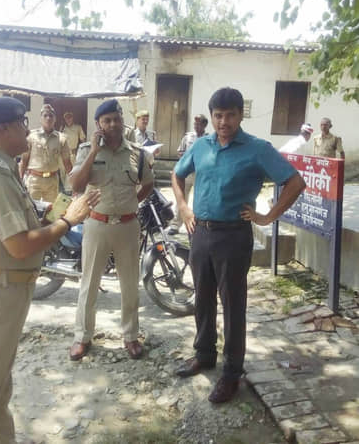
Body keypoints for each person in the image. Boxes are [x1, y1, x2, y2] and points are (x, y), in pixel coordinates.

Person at [0, 97, 100, 444]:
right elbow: (18, 245)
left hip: (0, 292)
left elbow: (19, 226)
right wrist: (68, 221)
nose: (27, 130)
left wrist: (52, 214)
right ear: (3, 129)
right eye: (22, 124)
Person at [172, 87, 305, 404]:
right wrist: (184, 208)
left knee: (232, 305)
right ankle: (204, 355)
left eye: (230, 115)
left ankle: (232, 373)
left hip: (233, 236)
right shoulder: (201, 146)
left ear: (240, 115)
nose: (223, 122)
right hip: (200, 233)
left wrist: (268, 216)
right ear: (211, 116)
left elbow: (295, 182)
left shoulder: (257, 149)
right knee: (203, 298)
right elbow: (177, 176)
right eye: (218, 115)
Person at [69, 99, 154, 361]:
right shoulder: (86, 150)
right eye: (107, 120)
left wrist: (131, 203)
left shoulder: (138, 153)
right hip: (97, 224)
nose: (113, 124)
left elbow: (148, 184)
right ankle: (83, 337)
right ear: (98, 124)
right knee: (89, 283)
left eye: (116, 118)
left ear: (122, 120)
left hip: (128, 225)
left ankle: (131, 336)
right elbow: (76, 185)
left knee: (129, 284)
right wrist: (94, 151)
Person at [19, 104, 72, 202]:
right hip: (34, 180)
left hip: (52, 180)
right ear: (40, 119)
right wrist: (20, 182)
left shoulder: (61, 138)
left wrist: (74, 184)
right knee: (32, 208)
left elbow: (67, 163)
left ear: (55, 119)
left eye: (51, 115)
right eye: (45, 115)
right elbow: (24, 161)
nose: (48, 118)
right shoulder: (31, 136)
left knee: (51, 209)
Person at [166, 114, 208, 235]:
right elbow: (180, 152)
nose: (196, 126)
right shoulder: (188, 137)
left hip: (201, 173)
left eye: (199, 124)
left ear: (204, 125)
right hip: (187, 172)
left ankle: (198, 225)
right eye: (195, 123)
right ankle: (175, 225)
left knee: (200, 199)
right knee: (182, 197)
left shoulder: (209, 139)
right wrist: (186, 158)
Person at [59, 111, 86, 193]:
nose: (68, 119)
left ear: (72, 118)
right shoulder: (62, 128)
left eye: (70, 117)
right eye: (66, 118)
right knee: (62, 172)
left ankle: (69, 190)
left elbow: (83, 140)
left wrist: (82, 152)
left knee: (71, 172)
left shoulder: (78, 127)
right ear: (64, 119)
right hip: (62, 154)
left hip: (72, 154)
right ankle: (65, 190)